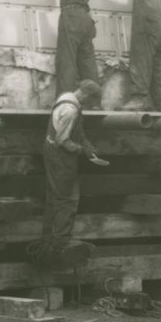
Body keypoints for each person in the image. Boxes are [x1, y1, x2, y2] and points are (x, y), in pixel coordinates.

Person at [29, 79, 103, 270]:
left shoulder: (66, 97)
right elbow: (63, 141)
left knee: (53, 196)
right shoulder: (71, 110)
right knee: (67, 198)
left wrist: (87, 145)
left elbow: (77, 133)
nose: (90, 106)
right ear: (86, 96)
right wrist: (82, 151)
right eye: (91, 102)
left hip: (52, 152)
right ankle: (60, 242)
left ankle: (48, 239)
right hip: (60, 156)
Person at [12, 0, 99, 96]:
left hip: (71, 16)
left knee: (67, 59)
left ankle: (65, 98)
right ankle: (94, 101)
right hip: (86, 17)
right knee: (87, 61)